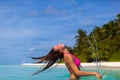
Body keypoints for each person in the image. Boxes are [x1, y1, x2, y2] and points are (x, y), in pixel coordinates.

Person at [30, 44, 102, 80]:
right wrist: (94, 73)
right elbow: (77, 73)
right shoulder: (68, 56)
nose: (59, 43)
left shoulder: (68, 55)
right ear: (61, 50)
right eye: (58, 45)